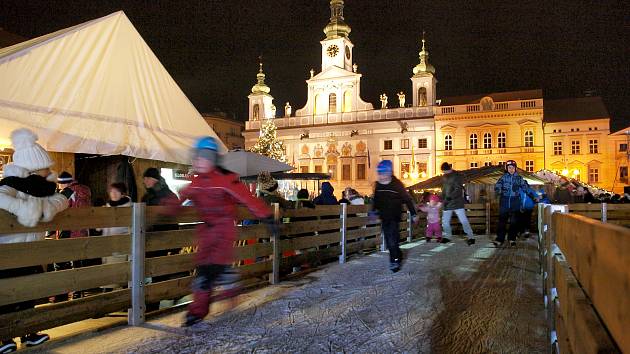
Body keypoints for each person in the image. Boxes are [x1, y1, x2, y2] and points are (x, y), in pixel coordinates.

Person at [164, 137, 272, 327]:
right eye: (196, 158)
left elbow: (247, 198)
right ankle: (219, 292)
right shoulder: (196, 182)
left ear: (212, 160)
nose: (199, 161)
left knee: (208, 271)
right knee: (204, 271)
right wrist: (167, 210)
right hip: (206, 231)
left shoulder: (225, 180)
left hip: (224, 231)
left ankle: (199, 310)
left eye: (204, 158)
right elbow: (182, 197)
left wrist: (267, 216)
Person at [0, 128, 69, 352]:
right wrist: (25, 210)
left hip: (33, 250)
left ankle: (29, 333)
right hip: (10, 250)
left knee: (32, 291)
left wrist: (43, 208)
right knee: (8, 295)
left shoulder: (46, 189)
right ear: (33, 167)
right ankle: (4, 337)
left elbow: (62, 201)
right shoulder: (10, 184)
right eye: (45, 167)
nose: (50, 171)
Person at [373, 160, 419, 273]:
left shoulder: (397, 184)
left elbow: (407, 199)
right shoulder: (378, 185)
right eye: (380, 174)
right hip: (384, 217)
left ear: (389, 173)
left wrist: (413, 214)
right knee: (389, 240)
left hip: (394, 216)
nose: (381, 176)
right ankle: (397, 253)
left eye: (383, 174)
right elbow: (376, 200)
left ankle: (395, 260)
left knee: (393, 239)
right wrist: (373, 212)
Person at [494, 160, 538, 247]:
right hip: (505, 201)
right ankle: (500, 239)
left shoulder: (519, 178)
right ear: (507, 168)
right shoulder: (503, 178)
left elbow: (526, 188)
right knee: (502, 221)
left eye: (513, 168)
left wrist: (533, 196)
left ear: (515, 168)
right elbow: (497, 185)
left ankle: (512, 238)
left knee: (514, 222)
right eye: (509, 168)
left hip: (515, 201)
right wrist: (499, 190)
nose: (511, 169)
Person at [100, 183, 132, 291]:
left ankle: (117, 299)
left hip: (120, 245)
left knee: (117, 276)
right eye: (111, 191)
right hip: (107, 245)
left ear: (122, 194)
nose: (113, 194)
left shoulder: (128, 207)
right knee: (108, 275)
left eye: (116, 191)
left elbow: (129, 228)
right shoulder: (108, 206)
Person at [440, 162, 476, 245]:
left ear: (448, 169)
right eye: (443, 171)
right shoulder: (444, 177)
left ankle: (471, 237)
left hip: (457, 202)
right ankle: (447, 236)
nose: (444, 173)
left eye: (444, 171)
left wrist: (450, 197)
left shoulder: (457, 176)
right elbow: (444, 189)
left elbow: (458, 189)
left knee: (463, 220)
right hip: (447, 203)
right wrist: (443, 198)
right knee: (445, 221)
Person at [57, 171, 92, 238]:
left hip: (70, 230)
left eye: (59, 184)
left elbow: (56, 206)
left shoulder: (68, 192)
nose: (59, 187)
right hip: (84, 228)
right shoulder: (85, 189)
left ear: (63, 183)